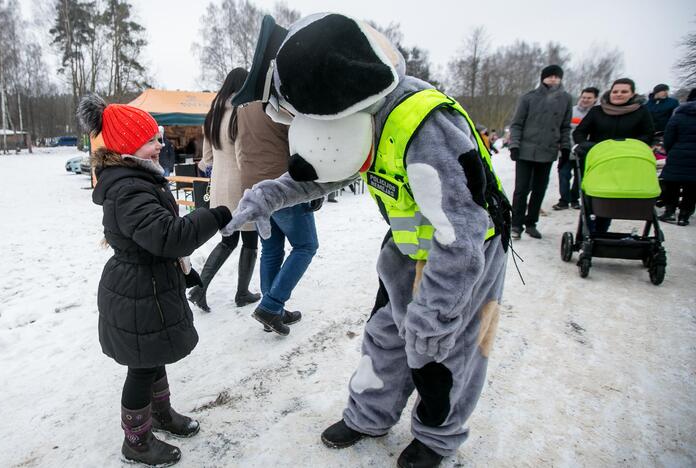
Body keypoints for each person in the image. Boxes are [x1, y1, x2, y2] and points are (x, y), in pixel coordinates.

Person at [225, 13, 511, 467]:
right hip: (405, 244)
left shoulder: (423, 122)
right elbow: (329, 168)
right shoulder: (361, 117)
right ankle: (369, 416)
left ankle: (436, 439)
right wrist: (270, 194)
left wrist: (434, 313)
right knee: (385, 336)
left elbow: (464, 228)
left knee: (446, 351)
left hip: (463, 258)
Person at [77, 94, 232, 466]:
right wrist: (214, 215)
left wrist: (185, 271)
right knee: (142, 366)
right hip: (137, 288)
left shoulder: (137, 178)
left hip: (150, 282)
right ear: (130, 146)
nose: (161, 145)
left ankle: (160, 415)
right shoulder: (129, 188)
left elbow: (160, 242)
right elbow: (166, 236)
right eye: (152, 140)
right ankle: (136, 440)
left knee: (153, 357)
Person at [236, 99, 315, 335]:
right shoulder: (281, 99)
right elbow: (302, 142)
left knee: (271, 249)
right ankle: (271, 306)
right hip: (282, 186)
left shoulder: (243, 105)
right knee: (306, 245)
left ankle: (272, 311)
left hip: (253, 184)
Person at [189, 68, 262, 312]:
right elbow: (243, 155)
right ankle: (241, 293)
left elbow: (206, 159)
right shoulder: (241, 113)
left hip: (219, 186)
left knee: (228, 240)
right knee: (250, 240)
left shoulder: (212, 114)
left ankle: (201, 289)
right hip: (241, 186)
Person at [572, 77, 654, 233]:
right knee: (594, 197)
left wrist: (630, 147)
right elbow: (580, 131)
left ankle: (601, 229)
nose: (618, 94)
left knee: (614, 197)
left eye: (624, 91)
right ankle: (587, 231)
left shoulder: (641, 112)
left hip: (626, 161)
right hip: (598, 161)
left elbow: (647, 134)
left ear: (632, 94)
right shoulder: (597, 111)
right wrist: (586, 146)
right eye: (615, 91)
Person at [508, 64, 573, 239]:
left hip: (548, 151)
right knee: (521, 189)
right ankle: (516, 224)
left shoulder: (566, 99)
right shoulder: (528, 98)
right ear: (543, 78)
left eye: (556, 76)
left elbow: (566, 127)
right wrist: (514, 145)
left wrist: (565, 147)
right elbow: (516, 124)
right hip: (525, 151)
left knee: (539, 189)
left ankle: (531, 223)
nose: (553, 79)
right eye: (550, 76)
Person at [554, 86, 599, 210]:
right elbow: (561, 128)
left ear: (595, 99)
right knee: (563, 175)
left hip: (586, 152)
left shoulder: (597, 113)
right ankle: (563, 200)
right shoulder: (571, 111)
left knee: (580, 177)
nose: (585, 100)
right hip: (567, 149)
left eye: (589, 98)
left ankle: (574, 199)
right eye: (583, 97)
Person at [659, 88, 696, 226]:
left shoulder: (679, 115)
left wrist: (671, 150)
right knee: (692, 188)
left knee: (672, 184)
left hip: (678, 154)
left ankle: (669, 212)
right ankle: (684, 216)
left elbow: (669, 136)